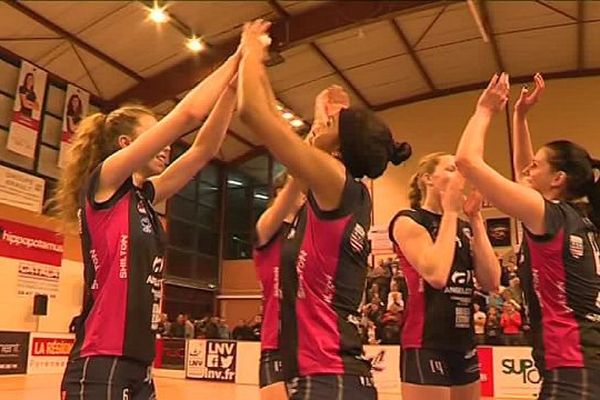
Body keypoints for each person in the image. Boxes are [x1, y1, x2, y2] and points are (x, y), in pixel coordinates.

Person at [54, 42, 241, 399]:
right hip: (99, 361)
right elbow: (186, 117)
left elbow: (203, 150)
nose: (166, 145)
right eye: (155, 136)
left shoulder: (146, 197)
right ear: (126, 145)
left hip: (139, 363)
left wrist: (233, 86)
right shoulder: (105, 182)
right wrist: (235, 59)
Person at [237, 19, 411, 400]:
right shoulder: (348, 189)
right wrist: (317, 119)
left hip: (326, 377)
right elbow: (298, 143)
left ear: (340, 148)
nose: (327, 122)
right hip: (337, 375)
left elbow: (253, 111)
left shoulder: (334, 180)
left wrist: (251, 48)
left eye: (336, 122)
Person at [455, 72, 600, 398]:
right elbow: (525, 177)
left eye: (537, 165)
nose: (526, 170)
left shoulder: (550, 215)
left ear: (558, 178)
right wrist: (519, 116)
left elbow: (466, 161)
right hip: (580, 362)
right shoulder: (573, 217)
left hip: (572, 367)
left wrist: (485, 110)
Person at [389, 152, 500, 400]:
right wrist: (450, 212)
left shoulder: (462, 227)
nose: (459, 176)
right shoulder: (408, 220)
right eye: (451, 169)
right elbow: (436, 275)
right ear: (428, 178)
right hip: (425, 342)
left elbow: (492, 282)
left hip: (463, 340)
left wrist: (475, 218)